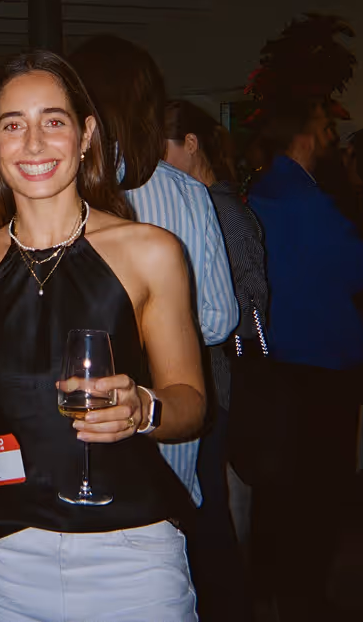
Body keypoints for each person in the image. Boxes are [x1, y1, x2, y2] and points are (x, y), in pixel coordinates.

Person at [0, 50, 204, 621]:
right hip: (7, 554)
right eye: (14, 125)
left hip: (133, 551)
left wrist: (145, 408)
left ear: (87, 134)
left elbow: (191, 403)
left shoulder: (150, 251)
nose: (34, 143)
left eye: (54, 121)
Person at [72, 36, 237, 519]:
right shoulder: (186, 193)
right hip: (165, 416)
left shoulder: (56, 188)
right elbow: (219, 319)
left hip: (81, 422)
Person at [244, 99, 363, 621]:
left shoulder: (259, 192)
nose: (331, 137)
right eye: (325, 127)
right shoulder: (311, 200)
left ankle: (271, 586)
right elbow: (360, 269)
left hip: (276, 360)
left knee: (279, 488)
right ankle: (306, 595)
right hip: (323, 361)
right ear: (304, 135)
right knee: (321, 491)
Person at [164, 99, 266, 621]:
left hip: (217, 379)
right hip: (211, 378)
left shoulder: (218, 207)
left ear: (191, 144)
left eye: (165, 147)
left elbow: (251, 306)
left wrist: (225, 341)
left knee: (207, 513)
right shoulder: (198, 201)